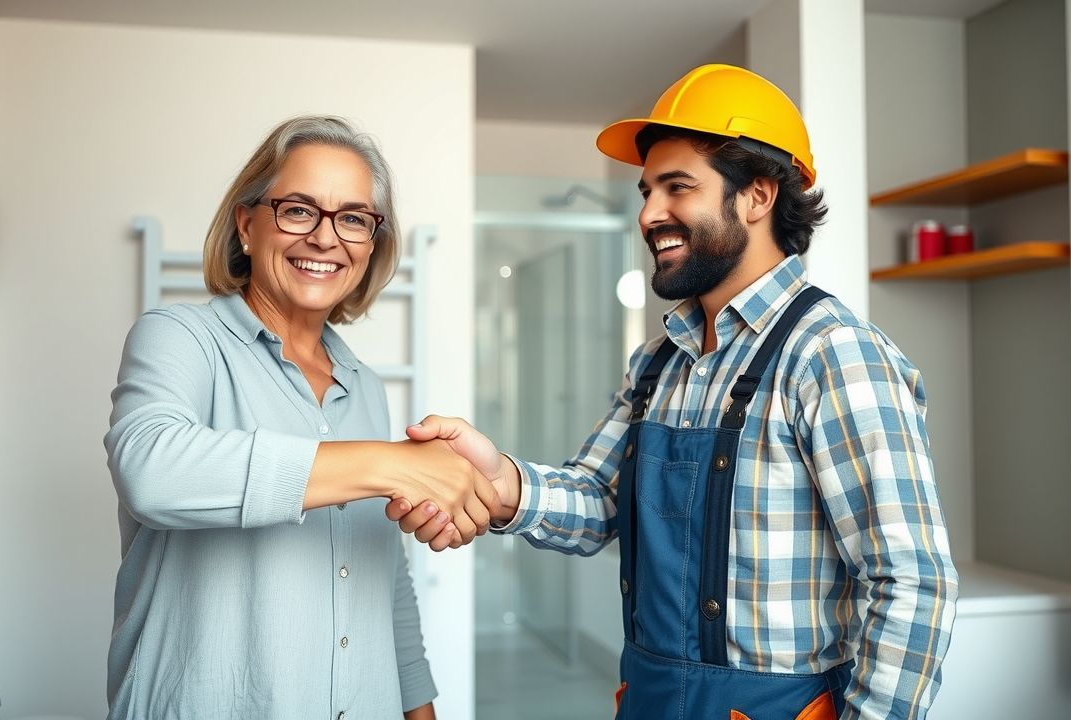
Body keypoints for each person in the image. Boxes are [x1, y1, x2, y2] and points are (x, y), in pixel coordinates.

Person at [390, 65, 959, 720]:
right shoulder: (658, 362)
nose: (649, 213)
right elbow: (601, 502)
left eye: (676, 187)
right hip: (650, 700)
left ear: (758, 196)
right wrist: (500, 480)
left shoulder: (833, 355)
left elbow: (912, 583)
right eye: (646, 190)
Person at [103, 115, 497, 720]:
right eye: (298, 210)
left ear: (371, 242)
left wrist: (419, 710)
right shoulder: (178, 339)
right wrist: (391, 463)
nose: (325, 238)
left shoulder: (365, 386)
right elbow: (150, 474)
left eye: (353, 219)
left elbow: (382, 575)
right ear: (247, 223)